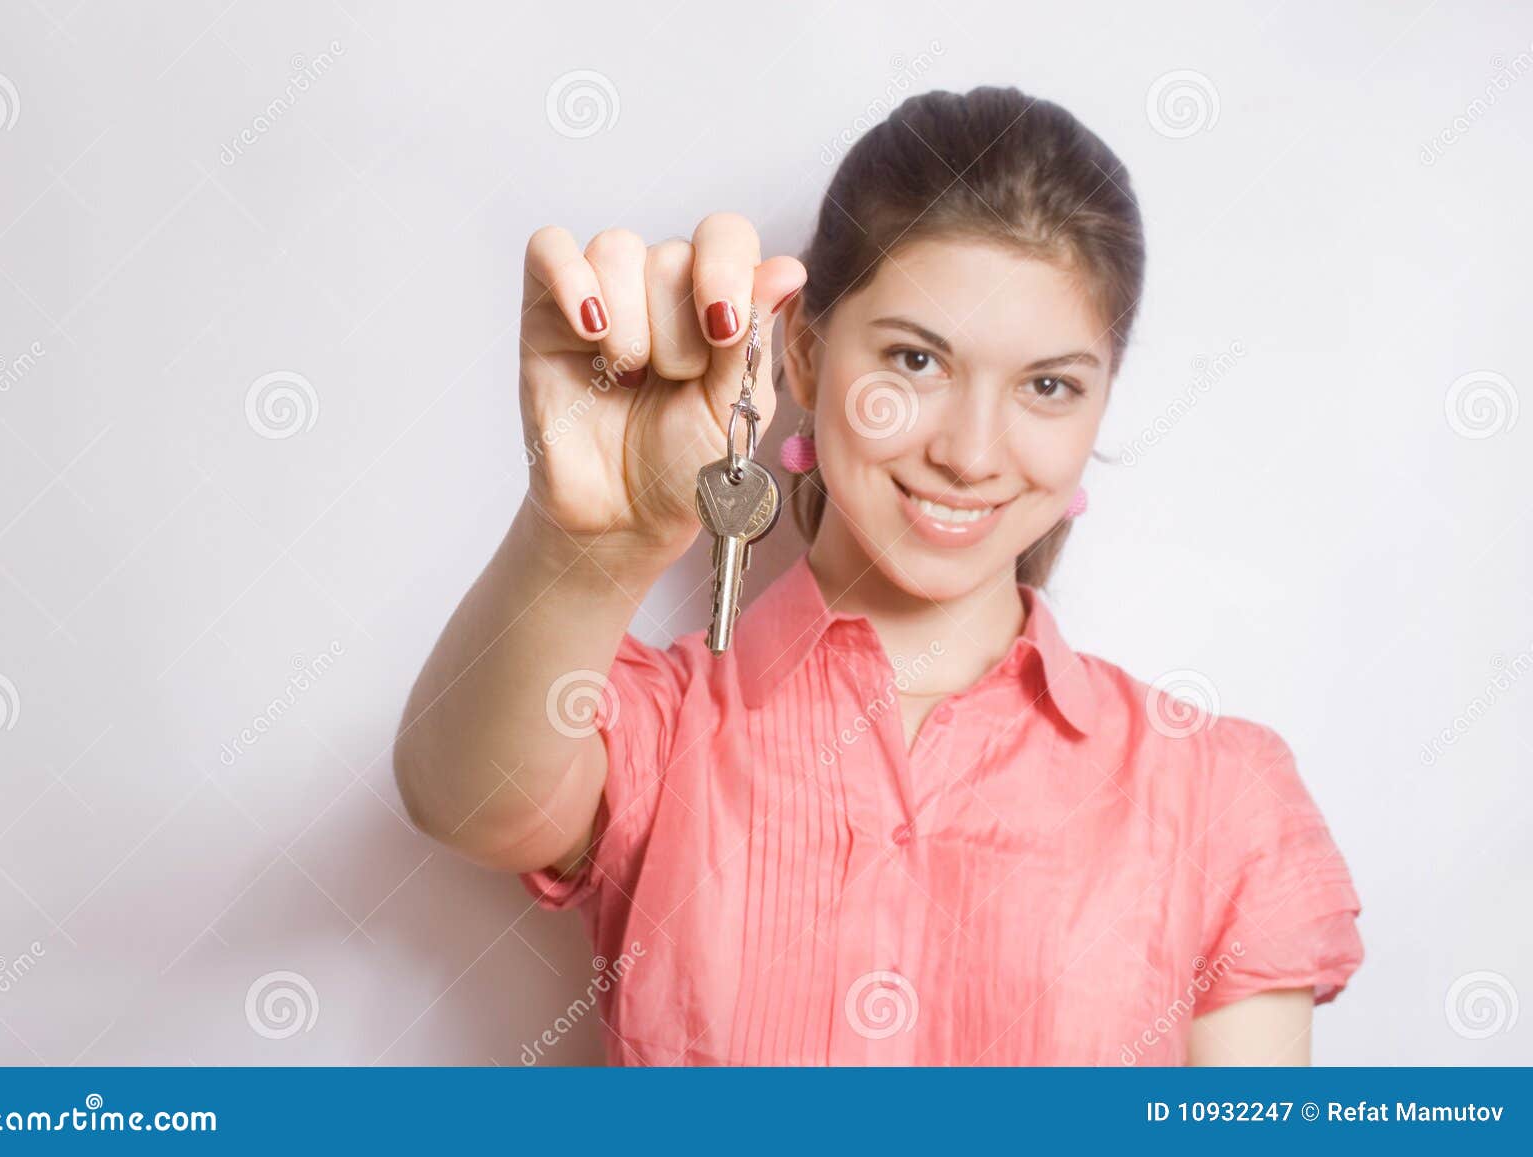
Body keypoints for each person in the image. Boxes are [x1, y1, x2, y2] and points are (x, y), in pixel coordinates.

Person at [394, 85, 1363, 1066]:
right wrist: (590, 544)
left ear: (1101, 405)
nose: (972, 452)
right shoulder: (660, 725)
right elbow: (464, 798)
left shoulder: (1217, 792)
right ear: (805, 357)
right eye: (915, 360)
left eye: (1048, 385)